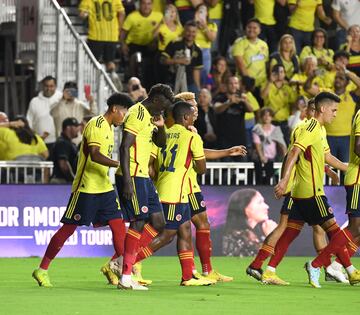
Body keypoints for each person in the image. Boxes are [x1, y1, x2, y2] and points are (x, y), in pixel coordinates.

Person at [32, 92, 134, 287]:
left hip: (104, 187)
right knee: (69, 229)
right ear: (114, 109)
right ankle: (42, 269)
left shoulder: (109, 128)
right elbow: (95, 155)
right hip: (87, 188)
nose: (124, 117)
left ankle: (123, 272)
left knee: (118, 226)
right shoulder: (96, 125)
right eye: (123, 112)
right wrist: (118, 164)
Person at [262, 92, 360, 288]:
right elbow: (294, 153)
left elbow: (325, 157)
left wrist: (342, 168)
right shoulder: (311, 127)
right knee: (334, 230)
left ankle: (268, 270)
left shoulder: (318, 130)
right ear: (322, 109)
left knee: (291, 232)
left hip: (302, 191)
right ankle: (326, 267)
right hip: (311, 191)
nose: (335, 114)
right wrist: (283, 181)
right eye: (333, 110)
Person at [132, 101, 212, 287]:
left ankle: (187, 276)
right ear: (185, 118)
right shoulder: (192, 137)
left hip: (167, 189)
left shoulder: (162, 135)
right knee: (167, 234)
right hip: (175, 192)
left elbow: (151, 164)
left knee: (185, 230)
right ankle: (128, 263)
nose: (194, 118)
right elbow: (201, 169)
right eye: (192, 115)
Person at [175, 91, 246, 282]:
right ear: (183, 109)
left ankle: (204, 271)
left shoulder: (188, 129)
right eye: (192, 104)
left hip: (189, 184)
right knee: (168, 230)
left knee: (198, 225)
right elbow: (199, 159)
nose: (197, 108)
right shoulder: (182, 130)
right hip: (183, 185)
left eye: (197, 104)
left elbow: (200, 152)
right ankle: (132, 263)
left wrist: (226, 152)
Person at [116, 84, 175, 290]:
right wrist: (126, 181)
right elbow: (124, 147)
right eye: (164, 106)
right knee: (138, 222)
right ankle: (125, 276)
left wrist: (160, 126)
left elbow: (160, 144)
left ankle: (122, 262)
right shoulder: (136, 113)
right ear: (157, 99)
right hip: (132, 174)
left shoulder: (151, 116)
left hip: (143, 176)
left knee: (158, 222)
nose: (164, 111)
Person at [305, 67, 360, 162]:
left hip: (346, 139)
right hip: (327, 136)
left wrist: (347, 72)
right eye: (336, 78)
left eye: (341, 78)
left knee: (345, 167)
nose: (338, 80)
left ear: (347, 83)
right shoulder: (326, 93)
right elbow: (307, 88)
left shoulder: (352, 95)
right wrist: (312, 76)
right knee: (327, 168)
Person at [120, 0, 163, 90]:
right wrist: (123, 44)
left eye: (148, 4)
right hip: (134, 44)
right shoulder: (132, 16)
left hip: (151, 45)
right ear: (139, 4)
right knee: (137, 59)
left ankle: (154, 87)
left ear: (152, 5)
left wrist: (155, 42)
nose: (146, 6)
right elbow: (123, 33)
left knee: (155, 61)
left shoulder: (159, 16)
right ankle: (133, 83)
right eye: (143, 3)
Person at [223, 189, 278, 257]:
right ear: (245, 208)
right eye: (260, 202)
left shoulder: (259, 234)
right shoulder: (235, 239)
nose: (267, 206)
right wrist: (271, 238)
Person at [79, 0, 125, 73]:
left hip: (96, 36)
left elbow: (82, 14)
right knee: (110, 62)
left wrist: (86, 14)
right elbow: (122, 13)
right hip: (111, 35)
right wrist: (118, 29)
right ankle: (111, 78)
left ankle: (94, 79)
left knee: (92, 62)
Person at [232, 18, 269, 104]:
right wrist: (248, 80)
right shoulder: (240, 42)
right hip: (245, 84)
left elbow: (266, 63)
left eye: (255, 28)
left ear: (259, 30)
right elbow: (240, 63)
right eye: (249, 27)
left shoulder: (264, 44)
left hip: (261, 83)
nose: (251, 29)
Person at [161, 20, 203, 94]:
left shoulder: (198, 50)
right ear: (184, 31)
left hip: (189, 83)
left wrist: (198, 87)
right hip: (172, 81)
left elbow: (196, 71)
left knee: (195, 99)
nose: (191, 34)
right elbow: (162, 60)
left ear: (196, 33)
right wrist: (178, 61)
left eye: (193, 32)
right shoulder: (174, 44)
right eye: (188, 31)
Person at [214, 76, 254, 151]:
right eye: (231, 83)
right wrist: (229, 102)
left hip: (240, 140)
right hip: (224, 140)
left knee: (242, 162)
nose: (233, 85)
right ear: (226, 85)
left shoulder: (242, 99)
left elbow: (251, 110)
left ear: (239, 85)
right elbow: (217, 109)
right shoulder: (220, 97)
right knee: (225, 163)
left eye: (236, 83)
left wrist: (245, 101)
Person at [261, 64, 297, 143]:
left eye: (282, 72)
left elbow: (293, 105)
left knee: (287, 146)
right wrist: (270, 81)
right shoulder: (267, 85)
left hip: (284, 122)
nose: (280, 74)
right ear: (273, 74)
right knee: (271, 148)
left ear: (284, 74)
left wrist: (292, 122)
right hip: (270, 122)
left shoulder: (288, 88)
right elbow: (262, 96)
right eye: (277, 72)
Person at [26, 76, 62, 154]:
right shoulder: (34, 101)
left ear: (55, 86)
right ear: (42, 86)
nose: (48, 89)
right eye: (46, 86)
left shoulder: (61, 99)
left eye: (51, 86)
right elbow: (29, 121)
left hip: (58, 142)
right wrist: (35, 137)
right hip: (40, 142)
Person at [252, 108, 287, 185]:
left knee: (269, 176)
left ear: (272, 117)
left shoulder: (275, 129)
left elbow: (282, 144)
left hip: (272, 157)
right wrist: (261, 157)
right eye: (264, 115)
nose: (267, 117)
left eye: (269, 115)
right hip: (259, 157)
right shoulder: (257, 128)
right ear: (261, 117)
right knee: (259, 177)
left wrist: (285, 157)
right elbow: (257, 143)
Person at [50, 118, 80, 184]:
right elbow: (63, 165)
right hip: (61, 182)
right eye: (75, 126)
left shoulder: (69, 143)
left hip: (65, 182)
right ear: (68, 128)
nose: (78, 129)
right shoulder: (62, 142)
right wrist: (74, 180)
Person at [194, 4, 217, 85]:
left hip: (205, 51)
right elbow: (189, 36)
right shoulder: (191, 24)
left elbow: (212, 38)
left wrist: (204, 27)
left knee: (204, 74)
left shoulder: (212, 25)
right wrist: (195, 24)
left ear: (207, 13)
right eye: (199, 10)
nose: (201, 12)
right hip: (194, 50)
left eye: (204, 10)